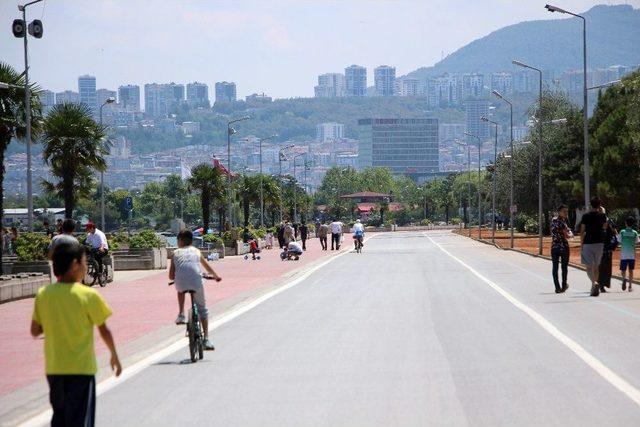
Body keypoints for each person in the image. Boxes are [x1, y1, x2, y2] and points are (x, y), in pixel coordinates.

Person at [31, 242, 122, 427]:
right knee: (80, 419)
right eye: (84, 262)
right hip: (81, 369)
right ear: (74, 265)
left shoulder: (44, 294)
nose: (86, 266)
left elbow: (35, 330)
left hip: (55, 368)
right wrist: (114, 356)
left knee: (60, 416)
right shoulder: (88, 295)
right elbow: (104, 330)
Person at [170, 230, 221, 350]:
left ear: (180, 241)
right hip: (197, 282)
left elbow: (171, 276)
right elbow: (207, 267)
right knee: (202, 309)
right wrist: (216, 276)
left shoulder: (175, 253)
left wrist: (177, 277)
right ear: (191, 241)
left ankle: (181, 314)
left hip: (181, 283)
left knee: (180, 287)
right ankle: (206, 339)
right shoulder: (196, 251)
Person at [579, 197, 608, 297]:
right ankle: (593, 287)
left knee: (588, 267)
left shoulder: (585, 216)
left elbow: (582, 231)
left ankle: (594, 283)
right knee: (596, 266)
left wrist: (581, 244)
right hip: (599, 243)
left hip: (588, 243)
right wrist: (603, 212)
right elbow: (605, 227)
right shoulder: (602, 216)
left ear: (591, 205)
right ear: (599, 205)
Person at [550, 205, 571, 293]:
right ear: (559, 212)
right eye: (564, 211)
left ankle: (557, 287)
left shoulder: (553, 220)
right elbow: (567, 235)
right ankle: (564, 285)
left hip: (554, 246)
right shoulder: (562, 222)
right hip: (563, 246)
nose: (566, 213)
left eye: (566, 211)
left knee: (555, 267)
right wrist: (571, 235)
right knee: (564, 267)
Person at [598, 207, 617, 292]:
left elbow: (615, 232)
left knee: (607, 268)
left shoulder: (609, 221)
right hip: (600, 248)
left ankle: (604, 284)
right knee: (601, 267)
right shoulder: (596, 222)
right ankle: (601, 285)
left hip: (607, 248)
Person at [619, 216, 639, 292]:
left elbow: (619, 241)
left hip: (624, 255)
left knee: (623, 270)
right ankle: (630, 286)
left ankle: (624, 279)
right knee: (631, 270)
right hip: (632, 255)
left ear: (625, 223)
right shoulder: (635, 233)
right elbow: (637, 242)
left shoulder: (622, 232)